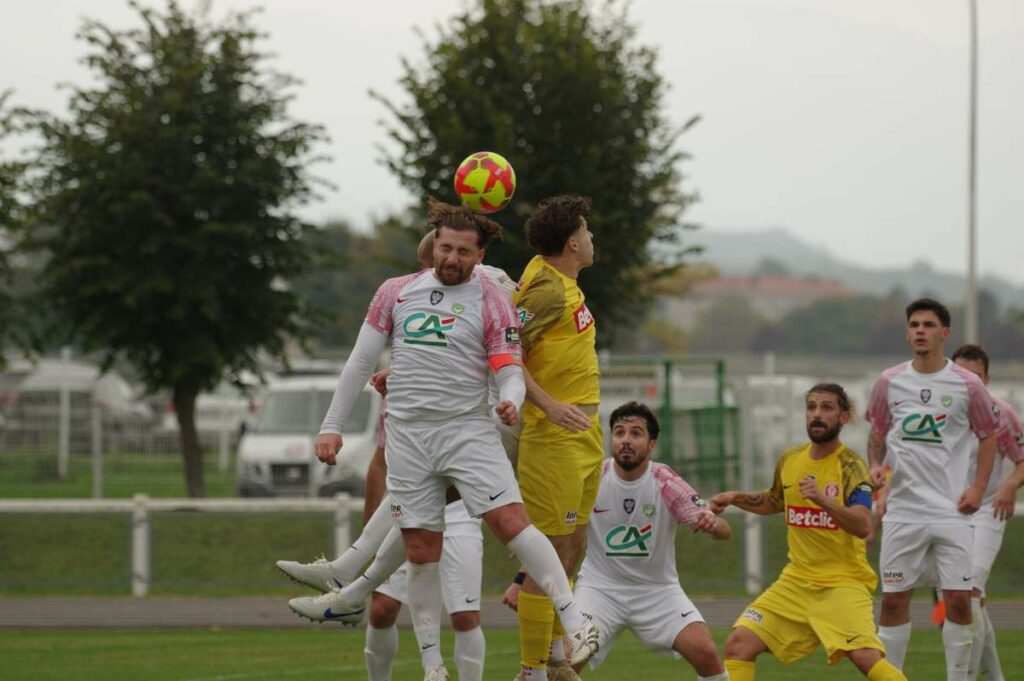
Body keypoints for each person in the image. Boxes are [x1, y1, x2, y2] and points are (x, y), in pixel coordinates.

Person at [288, 198, 597, 681]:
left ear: (480, 257)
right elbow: (359, 361)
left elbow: (509, 360)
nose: (451, 258)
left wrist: (512, 396)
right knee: (418, 549)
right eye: (444, 248)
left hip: (468, 430)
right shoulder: (395, 291)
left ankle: (575, 624)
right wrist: (331, 425)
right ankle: (430, 664)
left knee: (513, 523)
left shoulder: (494, 295)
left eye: (463, 251)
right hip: (410, 438)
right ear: (433, 247)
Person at [710, 383, 907, 681]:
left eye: (826, 408)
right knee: (739, 644)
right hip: (796, 582)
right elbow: (775, 500)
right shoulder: (791, 459)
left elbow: (863, 524)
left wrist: (823, 500)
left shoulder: (851, 466)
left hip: (842, 583)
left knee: (866, 657)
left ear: (844, 417)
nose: (816, 414)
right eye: (811, 407)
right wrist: (735, 497)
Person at [865, 298, 999, 680]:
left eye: (927, 324)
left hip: (950, 510)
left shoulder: (967, 384)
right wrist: (876, 467)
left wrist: (977, 488)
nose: (920, 330)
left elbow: (987, 437)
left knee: (959, 601)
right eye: (914, 324)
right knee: (893, 602)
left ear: (945, 333)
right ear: (907, 333)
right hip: (903, 511)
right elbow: (876, 433)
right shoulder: (889, 381)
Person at [508, 195, 604, 681]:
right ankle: (531, 671)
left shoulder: (557, 282)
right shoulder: (547, 292)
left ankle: (555, 657)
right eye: (587, 232)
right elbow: (504, 348)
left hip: (585, 436)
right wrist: (546, 405)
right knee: (549, 552)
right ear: (572, 242)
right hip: (553, 437)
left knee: (574, 547)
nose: (591, 239)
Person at [572, 401, 732, 680]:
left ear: (652, 444)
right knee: (566, 659)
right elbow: (561, 522)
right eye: (619, 432)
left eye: (636, 433)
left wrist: (713, 524)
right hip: (600, 589)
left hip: (656, 590)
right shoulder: (593, 477)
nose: (626, 440)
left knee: (706, 652)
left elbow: (722, 530)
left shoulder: (665, 480)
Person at [941, 344, 1023, 681]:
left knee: (967, 592)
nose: (967, 384)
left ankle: (965, 676)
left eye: (974, 377)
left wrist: (1008, 486)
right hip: (946, 513)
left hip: (987, 512)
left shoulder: (1001, 413)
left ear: (986, 379)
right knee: (971, 599)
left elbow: (1021, 461)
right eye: (960, 376)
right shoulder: (938, 413)